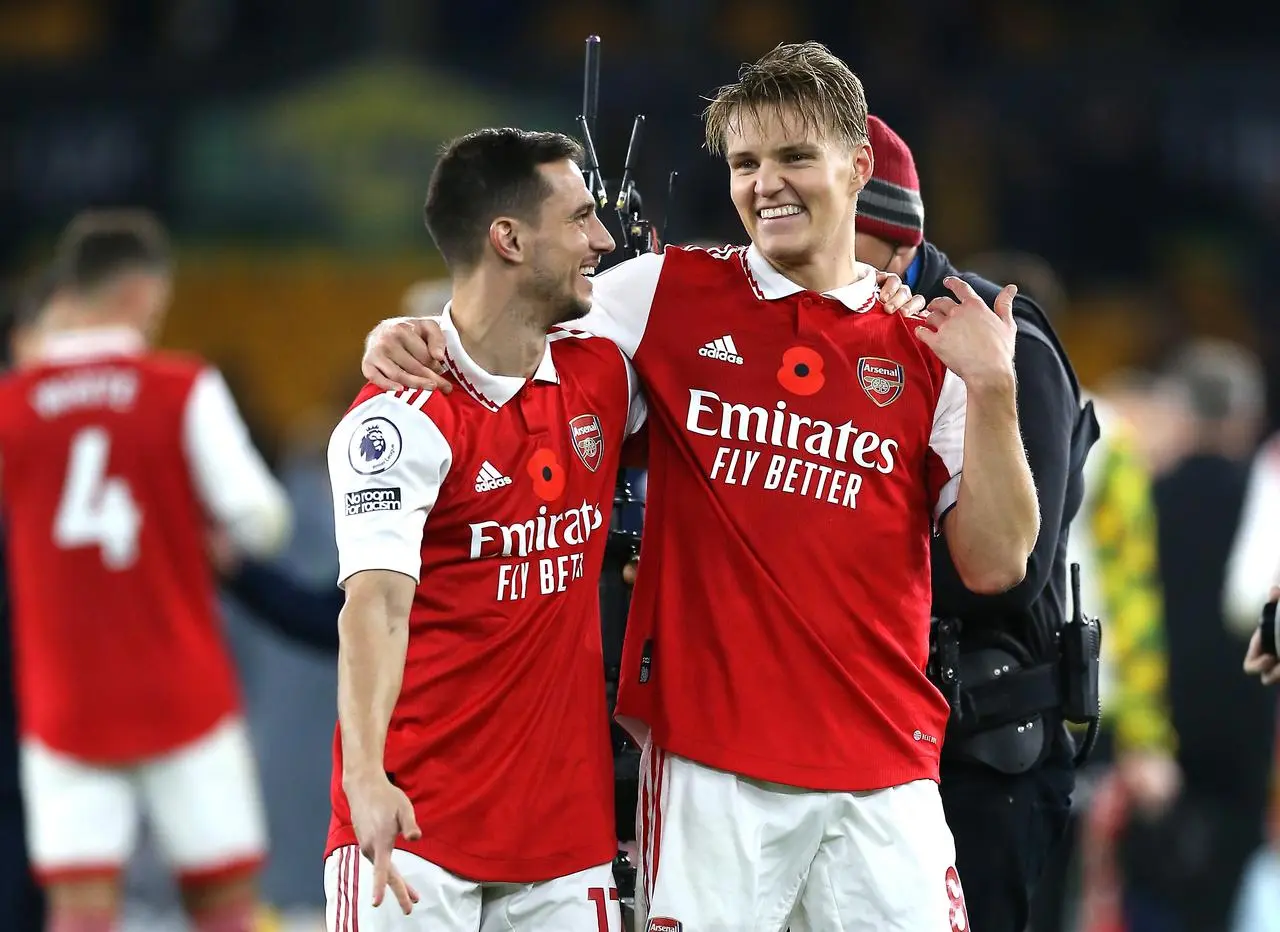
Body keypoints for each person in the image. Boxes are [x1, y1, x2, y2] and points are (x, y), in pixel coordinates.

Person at [359, 42, 1040, 931]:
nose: (768, 185)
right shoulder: (662, 294)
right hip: (714, 771)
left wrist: (994, 390)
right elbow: (502, 327)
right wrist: (403, 332)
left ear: (858, 166)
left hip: (887, 769)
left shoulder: (931, 346)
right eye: (747, 163)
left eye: (795, 157)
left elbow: (996, 562)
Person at [324, 127, 651, 931]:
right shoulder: (402, 423)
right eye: (579, 219)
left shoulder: (603, 368)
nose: (602, 241)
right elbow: (376, 607)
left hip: (565, 851)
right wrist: (365, 778)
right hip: (413, 831)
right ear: (508, 238)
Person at [0, 210, 291, 932]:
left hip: (64, 698)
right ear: (141, 294)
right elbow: (266, 520)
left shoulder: (13, 407)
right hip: (181, 693)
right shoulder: (182, 389)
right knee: (222, 900)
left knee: (78, 907)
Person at [851, 113, 1097, 932]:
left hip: (984, 754)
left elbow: (1008, 568)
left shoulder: (1001, 339)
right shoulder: (849, 331)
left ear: (893, 242)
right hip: (880, 741)